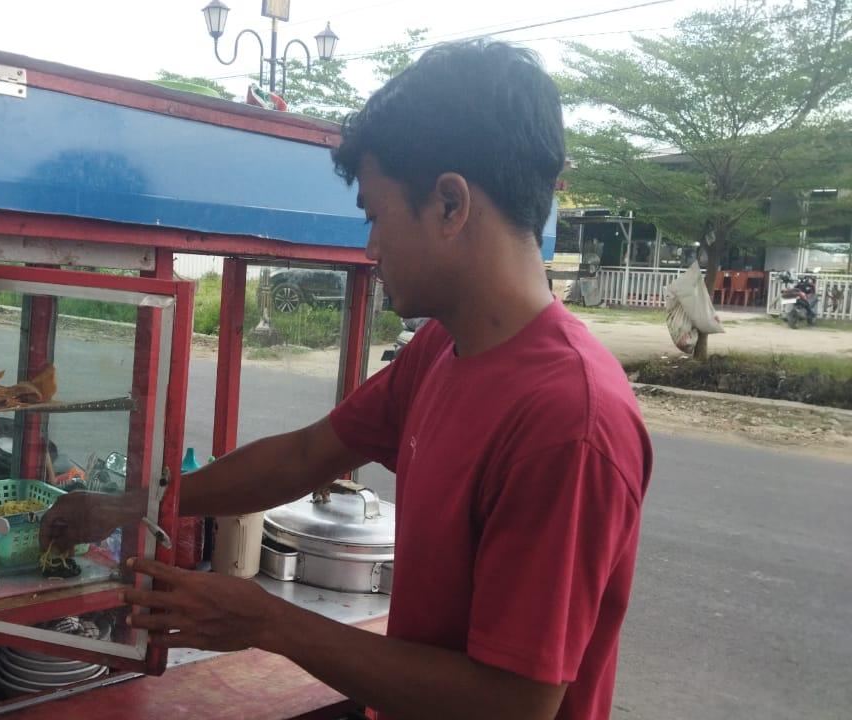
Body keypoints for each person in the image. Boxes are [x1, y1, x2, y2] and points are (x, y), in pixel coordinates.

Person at [41, 39, 651, 720]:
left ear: (451, 205)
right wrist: (133, 506)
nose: (370, 249)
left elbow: (516, 701)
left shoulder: (568, 421)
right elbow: (304, 456)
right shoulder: (443, 350)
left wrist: (269, 623)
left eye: (375, 215)